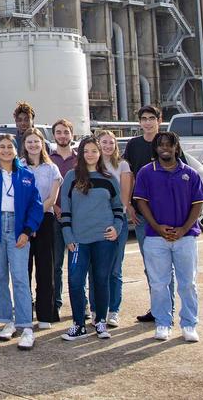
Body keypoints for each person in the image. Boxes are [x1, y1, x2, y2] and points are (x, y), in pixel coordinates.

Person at [132, 131, 203, 343]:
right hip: (155, 238)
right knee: (158, 283)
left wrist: (183, 229)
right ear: (155, 149)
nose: (165, 148)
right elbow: (141, 202)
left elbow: (198, 204)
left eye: (169, 145)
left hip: (185, 238)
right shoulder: (147, 172)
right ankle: (163, 323)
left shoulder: (190, 174)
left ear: (176, 148)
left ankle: (189, 324)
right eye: (160, 145)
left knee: (188, 283)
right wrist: (156, 226)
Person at [0, 132, 44, 349]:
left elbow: (36, 205)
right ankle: (7, 321)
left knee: (21, 278)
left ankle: (26, 327)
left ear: (16, 150)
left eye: (9, 147)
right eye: (2, 147)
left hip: (18, 229)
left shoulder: (26, 175)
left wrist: (27, 230)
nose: (6, 150)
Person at [123, 104, 187, 324]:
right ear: (139, 122)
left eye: (152, 118)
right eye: (144, 118)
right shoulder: (133, 145)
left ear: (159, 120)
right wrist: (128, 204)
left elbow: (183, 174)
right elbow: (128, 175)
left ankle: (167, 308)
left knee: (173, 266)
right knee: (152, 265)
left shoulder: (168, 142)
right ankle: (158, 307)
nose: (148, 122)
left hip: (169, 216)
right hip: (143, 217)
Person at [59, 137, 124, 341]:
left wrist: (117, 228)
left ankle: (101, 322)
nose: (90, 154)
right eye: (86, 151)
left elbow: (118, 208)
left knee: (101, 280)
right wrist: (68, 235)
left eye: (94, 151)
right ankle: (79, 325)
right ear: (80, 153)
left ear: (100, 153)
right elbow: (65, 209)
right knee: (76, 281)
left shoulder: (109, 178)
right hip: (78, 240)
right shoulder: (71, 177)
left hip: (104, 239)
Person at [21, 127, 61, 329]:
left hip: (45, 220)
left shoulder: (52, 168)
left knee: (46, 269)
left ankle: (46, 315)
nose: (33, 145)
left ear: (42, 144)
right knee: (23, 270)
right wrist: (29, 222)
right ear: (24, 145)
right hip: (23, 223)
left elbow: (52, 199)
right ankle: (25, 314)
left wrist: (35, 220)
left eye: (36, 141)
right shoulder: (19, 167)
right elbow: (18, 198)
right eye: (29, 142)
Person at [96, 129, 133, 327]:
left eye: (111, 142)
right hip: (95, 223)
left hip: (117, 221)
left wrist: (116, 220)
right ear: (98, 144)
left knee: (114, 269)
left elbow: (124, 197)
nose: (108, 146)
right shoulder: (91, 164)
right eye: (104, 142)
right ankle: (96, 309)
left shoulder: (122, 165)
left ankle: (113, 310)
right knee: (96, 269)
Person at [49, 118, 78, 317]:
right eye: (59, 132)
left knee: (78, 265)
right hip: (54, 217)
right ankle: (56, 303)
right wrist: (55, 207)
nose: (62, 136)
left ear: (71, 134)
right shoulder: (48, 159)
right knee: (56, 264)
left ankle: (80, 305)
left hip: (78, 218)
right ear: (54, 135)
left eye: (66, 132)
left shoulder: (80, 159)